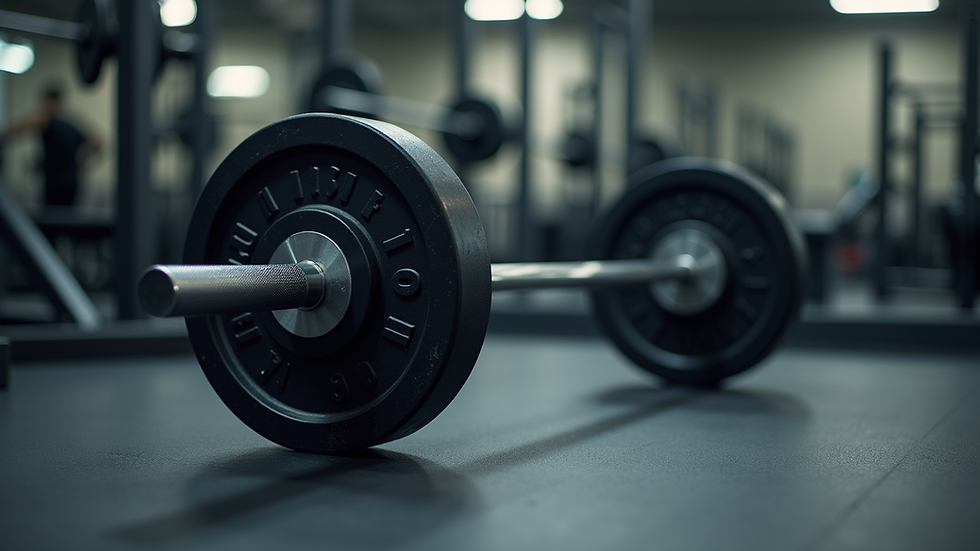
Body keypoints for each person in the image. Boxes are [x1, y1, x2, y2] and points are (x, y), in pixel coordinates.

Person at [0, 85, 102, 206]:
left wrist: (3, 135)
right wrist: (79, 163)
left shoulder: (47, 121)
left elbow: (28, 123)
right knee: (67, 219)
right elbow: (97, 143)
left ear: (52, 102)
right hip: (71, 182)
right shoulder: (70, 126)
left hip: (56, 183)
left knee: (53, 219)